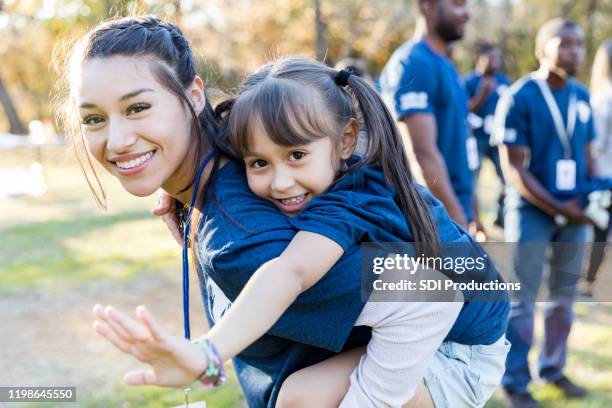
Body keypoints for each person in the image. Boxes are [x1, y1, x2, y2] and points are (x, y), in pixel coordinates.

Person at [57, 16, 508, 408]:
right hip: (456, 309)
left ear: (194, 95)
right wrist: (178, 193)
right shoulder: (247, 146)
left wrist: (207, 355)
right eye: (93, 118)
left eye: (138, 107)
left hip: (457, 342)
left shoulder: (242, 239)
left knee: (300, 399)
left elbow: (424, 296)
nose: (116, 140)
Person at [492, 18, 594, 408]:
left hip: (575, 213)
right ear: (542, 49)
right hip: (531, 212)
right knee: (522, 299)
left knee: (564, 298)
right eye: (565, 43)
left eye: (580, 44)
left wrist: (591, 199)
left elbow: (586, 154)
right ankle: (515, 381)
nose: (575, 51)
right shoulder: (519, 96)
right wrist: (556, 206)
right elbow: (513, 168)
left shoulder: (581, 96)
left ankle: (553, 368)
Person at [380, 0, 476, 233]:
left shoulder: (446, 64)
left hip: (455, 210)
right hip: (433, 220)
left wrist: (471, 211)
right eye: (457, 4)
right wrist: (457, 224)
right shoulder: (413, 62)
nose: (466, 14)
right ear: (429, 6)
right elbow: (421, 154)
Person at [464, 43, 511, 230]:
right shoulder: (468, 82)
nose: (495, 62)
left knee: (507, 177)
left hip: (498, 139)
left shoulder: (504, 81)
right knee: (473, 179)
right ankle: (474, 220)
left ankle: (499, 216)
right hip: (476, 138)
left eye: (497, 58)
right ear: (479, 60)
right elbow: (464, 110)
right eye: (490, 58)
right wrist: (481, 95)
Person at [582, 39, 612, 297]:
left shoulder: (603, 99)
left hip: (604, 178)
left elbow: (596, 145)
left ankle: (588, 283)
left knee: (597, 234)